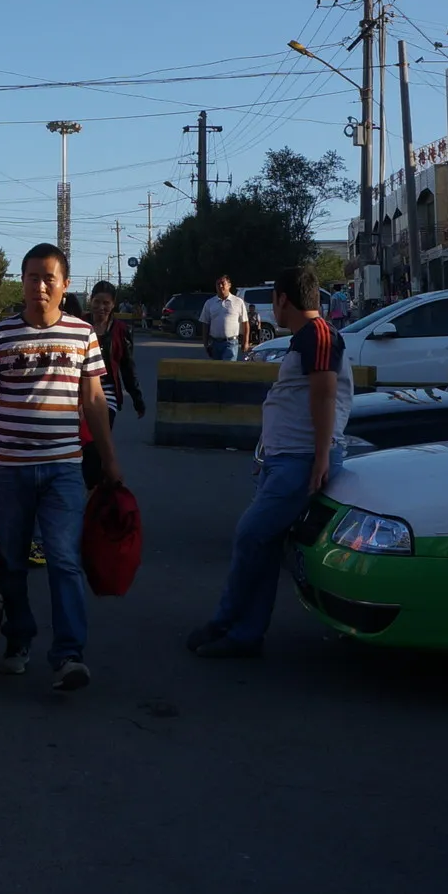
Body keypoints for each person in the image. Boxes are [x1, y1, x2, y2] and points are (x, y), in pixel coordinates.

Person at [0, 243, 120, 690]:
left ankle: (68, 655)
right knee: (11, 562)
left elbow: (95, 400)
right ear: (21, 282)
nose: (40, 286)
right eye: (31, 277)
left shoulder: (83, 334)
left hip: (63, 468)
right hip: (8, 469)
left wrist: (110, 461)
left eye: (49, 278)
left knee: (64, 559)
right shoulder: (0, 337)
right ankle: (18, 639)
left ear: (64, 284)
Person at [188, 265, 353, 660]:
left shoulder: (320, 334)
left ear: (282, 298)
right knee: (261, 545)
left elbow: (325, 395)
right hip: (285, 459)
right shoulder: (305, 338)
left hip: (299, 461)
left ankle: (231, 623)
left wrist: (319, 458)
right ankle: (242, 630)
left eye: (274, 300)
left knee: (250, 535)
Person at [86, 280, 144, 480]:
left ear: (113, 305)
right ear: (90, 301)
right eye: (97, 302)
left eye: (106, 303)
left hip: (107, 394)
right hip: (79, 392)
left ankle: (95, 490)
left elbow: (127, 367)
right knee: (81, 446)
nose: (101, 307)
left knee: (97, 441)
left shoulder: (120, 330)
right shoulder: (79, 325)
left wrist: (137, 398)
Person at [200, 273, 252, 361]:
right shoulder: (210, 303)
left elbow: (245, 323)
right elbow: (205, 323)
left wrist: (245, 342)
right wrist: (205, 343)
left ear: (229, 285)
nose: (220, 286)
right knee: (216, 370)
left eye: (223, 283)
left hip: (231, 343)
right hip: (214, 343)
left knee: (228, 369)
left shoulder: (238, 302)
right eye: (218, 284)